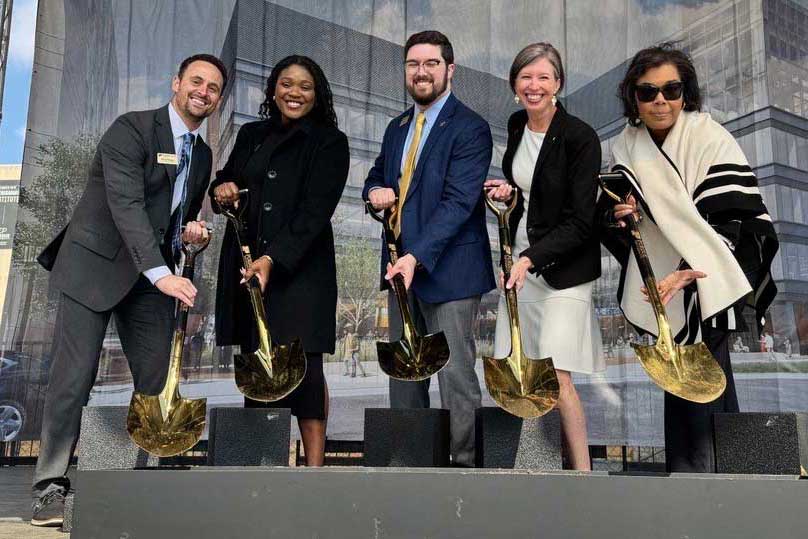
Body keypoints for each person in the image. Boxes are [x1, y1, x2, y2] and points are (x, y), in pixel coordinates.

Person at [30, 54, 227, 527]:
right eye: (196, 81)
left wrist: (190, 235)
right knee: (72, 380)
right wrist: (163, 274)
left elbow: (171, 221)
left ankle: (146, 479)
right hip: (94, 269)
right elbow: (127, 207)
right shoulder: (132, 129)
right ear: (176, 82)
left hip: (149, 275)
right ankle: (49, 487)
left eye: (214, 88)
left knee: (158, 381)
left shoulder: (201, 154)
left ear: (218, 100)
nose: (203, 91)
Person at [602, 43, 778, 473]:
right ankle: (688, 474)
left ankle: (707, 475)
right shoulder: (627, 144)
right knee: (678, 375)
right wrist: (621, 215)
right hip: (660, 281)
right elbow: (622, 212)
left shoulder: (709, 136)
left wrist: (688, 273)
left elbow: (734, 217)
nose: (660, 100)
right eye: (648, 92)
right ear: (634, 99)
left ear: (685, 93)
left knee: (707, 373)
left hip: (710, 278)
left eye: (671, 89)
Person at [362, 30, 495, 467]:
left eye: (431, 64)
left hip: (449, 271)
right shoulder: (396, 127)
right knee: (404, 373)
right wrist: (375, 191)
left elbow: (459, 203)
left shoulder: (470, 127)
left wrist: (415, 257)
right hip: (401, 271)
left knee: (455, 375)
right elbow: (376, 178)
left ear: (449, 69)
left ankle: (463, 464)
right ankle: (410, 462)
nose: (422, 72)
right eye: (413, 64)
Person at [211, 55, 349, 467]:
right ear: (273, 89)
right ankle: (263, 469)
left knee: (305, 372)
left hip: (301, 272)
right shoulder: (252, 134)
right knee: (259, 368)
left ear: (317, 94)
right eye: (287, 84)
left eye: (305, 86)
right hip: (248, 267)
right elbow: (227, 179)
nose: (294, 92)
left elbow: (315, 211)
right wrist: (224, 187)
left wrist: (274, 258)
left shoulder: (330, 141)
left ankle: (315, 472)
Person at [484, 42, 604, 470]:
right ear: (515, 85)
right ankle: (539, 467)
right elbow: (532, 191)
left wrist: (528, 259)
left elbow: (580, 221)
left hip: (565, 271)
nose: (534, 86)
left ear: (558, 85)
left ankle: (583, 475)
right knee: (525, 369)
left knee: (558, 374)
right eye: (525, 77)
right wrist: (509, 193)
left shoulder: (581, 137)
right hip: (522, 265)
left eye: (543, 78)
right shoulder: (519, 126)